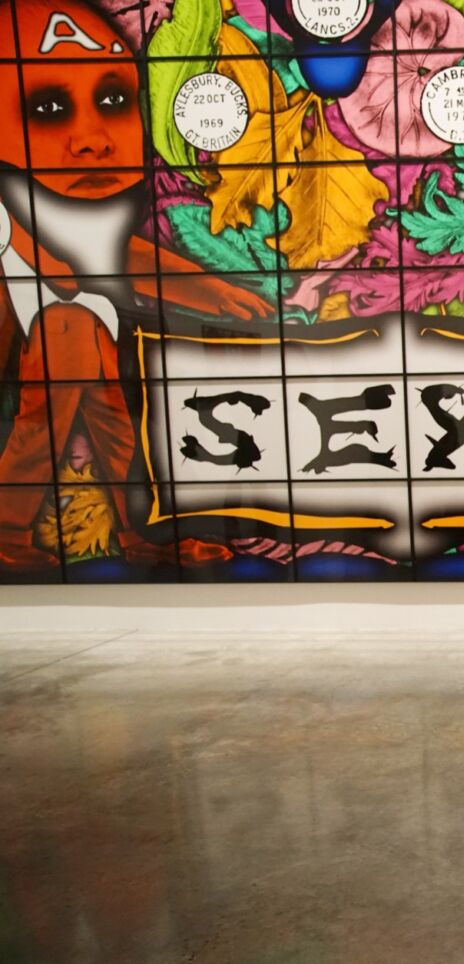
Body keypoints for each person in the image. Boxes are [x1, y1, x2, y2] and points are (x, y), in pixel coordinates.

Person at [0, 0, 269, 568]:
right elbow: (39, 252)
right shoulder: (17, 194)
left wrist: (208, 290)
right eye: (48, 108)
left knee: (118, 423)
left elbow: (123, 254)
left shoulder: (92, 203)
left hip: (81, 316)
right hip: (52, 318)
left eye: (114, 101)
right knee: (50, 406)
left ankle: (145, 532)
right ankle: (8, 531)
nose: (93, 139)